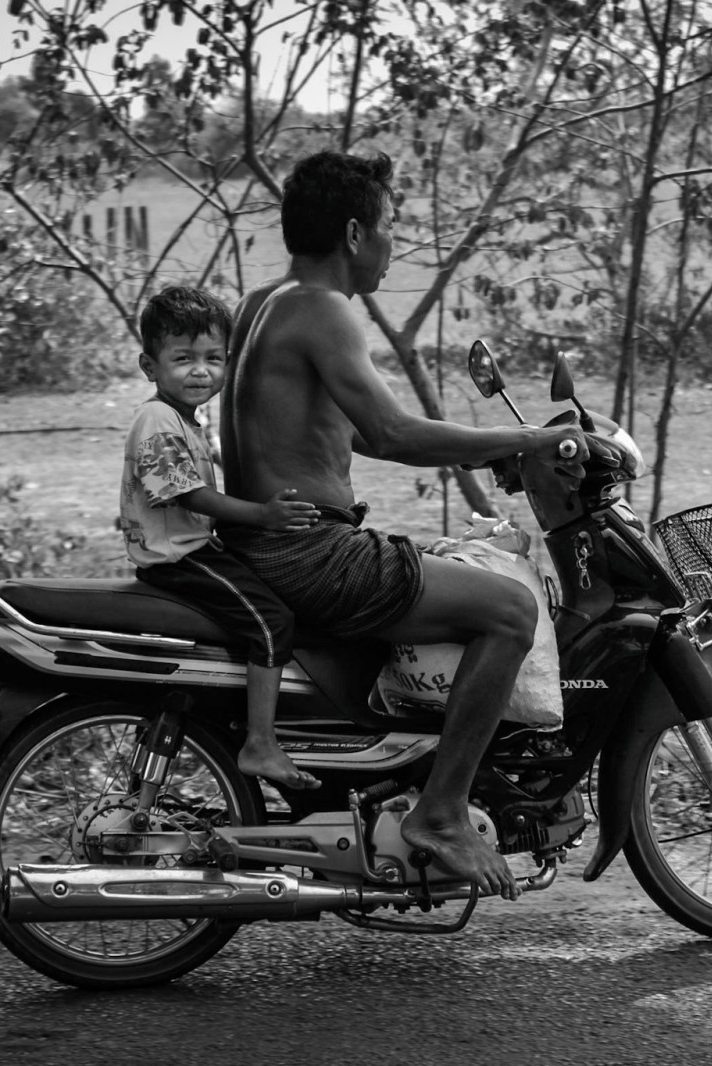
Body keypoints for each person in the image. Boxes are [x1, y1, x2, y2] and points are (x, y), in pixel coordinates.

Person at [218, 151, 586, 900]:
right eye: (390, 228)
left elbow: (328, 431)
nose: (394, 245)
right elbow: (389, 434)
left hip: (266, 542)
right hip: (309, 552)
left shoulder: (263, 302)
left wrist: (485, 448)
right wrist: (525, 441)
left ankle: (395, 776)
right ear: (355, 232)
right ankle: (441, 812)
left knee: (449, 571)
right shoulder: (323, 310)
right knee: (511, 609)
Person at [121, 285, 323, 791]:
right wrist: (263, 515)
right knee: (272, 622)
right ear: (150, 366)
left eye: (213, 359)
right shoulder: (157, 417)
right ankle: (260, 742)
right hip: (179, 558)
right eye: (183, 358)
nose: (200, 371)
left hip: (190, 549)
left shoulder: (188, 420)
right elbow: (187, 495)